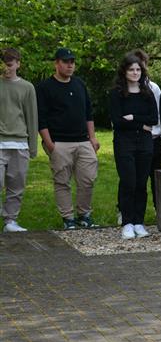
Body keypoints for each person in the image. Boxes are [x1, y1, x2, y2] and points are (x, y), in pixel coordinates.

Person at [36, 48, 100, 229]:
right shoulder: (44, 87)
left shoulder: (79, 84)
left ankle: (84, 215)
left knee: (88, 179)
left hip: (83, 140)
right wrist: (49, 144)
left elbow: (88, 113)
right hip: (59, 142)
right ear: (56, 63)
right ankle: (68, 219)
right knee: (62, 181)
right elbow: (41, 118)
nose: (70, 65)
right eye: (66, 62)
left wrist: (93, 137)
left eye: (72, 61)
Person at [109, 54, 158, 239]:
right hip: (124, 142)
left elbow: (153, 119)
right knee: (128, 181)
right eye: (131, 69)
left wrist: (134, 118)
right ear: (124, 71)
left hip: (145, 143)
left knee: (141, 182)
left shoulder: (147, 93)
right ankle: (127, 222)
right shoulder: (116, 93)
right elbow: (117, 121)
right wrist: (142, 124)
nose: (135, 72)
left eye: (138, 69)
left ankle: (139, 221)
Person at [1, 48, 37, 232]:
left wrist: (33, 147)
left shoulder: (27, 87)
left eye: (10, 64)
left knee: (16, 184)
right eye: (5, 64)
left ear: (18, 64)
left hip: (20, 142)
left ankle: (10, 221)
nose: (8, 68)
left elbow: (32, 117)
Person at [130, 49, 161, 215]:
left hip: (154, 138)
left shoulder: (154, 88)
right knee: (134, 178)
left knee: (157, 178)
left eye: (141, 65)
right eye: (134, 66)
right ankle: (129, 212)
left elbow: (158, 114)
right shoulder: (124, 89)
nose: (138, 70)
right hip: (133, 139)